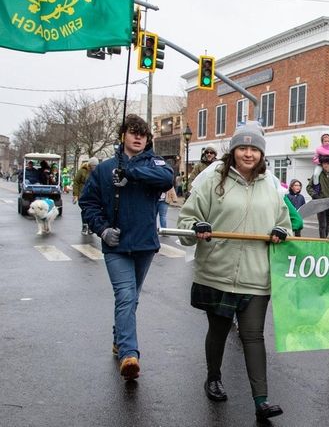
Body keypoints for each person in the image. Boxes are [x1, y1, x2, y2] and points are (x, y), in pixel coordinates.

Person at [177, 121, 290, 422]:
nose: (248, 153)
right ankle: (213, 376)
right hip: (217, 271)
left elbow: (285, 224)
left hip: (256, 275)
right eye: (243, 147)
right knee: (219, 330)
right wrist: (195, 228)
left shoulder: (271, 185)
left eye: (254, 148)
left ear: (262, 153)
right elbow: (185, 222)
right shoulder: (213, 179)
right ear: (233, 150)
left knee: (253, 336)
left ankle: (261, 400)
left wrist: (281, 231)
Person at [79, 114, 174, 381]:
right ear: (123, 136)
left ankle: (118, 338)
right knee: (125, 296)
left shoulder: (155, 163)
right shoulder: (103, 168)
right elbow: (88, 203)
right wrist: (103, 229)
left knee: (132, 298)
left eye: (142, 133)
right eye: (133, 132)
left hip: (144, 244)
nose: (138, 137)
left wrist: (131, 172)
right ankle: (129, 355)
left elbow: (166, 179)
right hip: (116, 246)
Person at [307, 156, 329, 239]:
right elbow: (309, 187)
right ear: (321, 164)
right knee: (323, 224)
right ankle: (323, 241)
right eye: (324, 163)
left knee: (328, 224)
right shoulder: (317, 175)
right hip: (320, 202)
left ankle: (324, 240)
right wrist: (315, 196)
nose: (326, 165)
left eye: (328, 163)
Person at [73, 157, 99, 235]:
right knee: (85, 210)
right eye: (93, 166)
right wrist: (75, 195)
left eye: (95, 166)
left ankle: (91, 227)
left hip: (93, 195)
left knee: (93, 211)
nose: (94, 167)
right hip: (83, 194)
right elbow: (76, 182)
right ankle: (84, 226)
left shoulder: (97, 172)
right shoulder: (82, 171)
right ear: (89, 165)